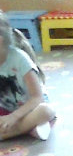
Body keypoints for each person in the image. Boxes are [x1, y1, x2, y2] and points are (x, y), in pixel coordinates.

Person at [0, 12, 55, 141]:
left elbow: (37, 97)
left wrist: (14, 117)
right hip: (5, 109)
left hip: (30, 107)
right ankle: (29, 128)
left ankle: (12, 132)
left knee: (46, 111)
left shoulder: (20, 59)